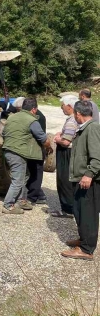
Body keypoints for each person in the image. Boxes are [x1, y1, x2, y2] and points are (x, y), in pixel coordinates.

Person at [61, 100, 100, 261]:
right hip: (81, 178)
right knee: (79, 211)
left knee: (88, 214)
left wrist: (89, 174)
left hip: (88, 180)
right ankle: (84, 239)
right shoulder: (84, 128)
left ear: (78, 113)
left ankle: (86, 249)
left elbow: (97, 156)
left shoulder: (93, 128)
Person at [1, 98, 50, 214]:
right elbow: (43, 138)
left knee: (25, 175)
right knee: (18, 180)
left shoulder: (12, 117)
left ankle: (21, 200)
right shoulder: (32, 120)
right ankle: (8, 205)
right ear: (34, 109)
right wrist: (48, 146)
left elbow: (3, 133)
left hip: (8, 151)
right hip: (18, 153)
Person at [51, 95, 79, 218]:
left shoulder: (72, 120)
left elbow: (66, 142)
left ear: (69, 106)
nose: (61, 107)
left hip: (66, 153)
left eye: (62, 105)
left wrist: (57, 139)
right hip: (72, 153)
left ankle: (68, 210)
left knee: (64, 180)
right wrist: (62, 133)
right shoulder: (74, 119)